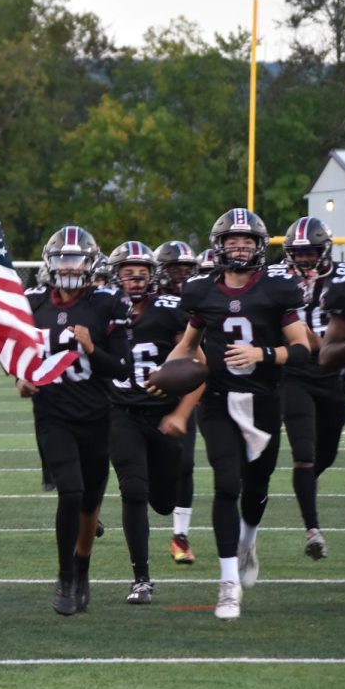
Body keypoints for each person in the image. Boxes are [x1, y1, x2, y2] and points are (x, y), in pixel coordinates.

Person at [166, 208, 309, 620]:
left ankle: (248, 538)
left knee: (256, 487)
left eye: (247, 241)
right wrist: (163, 379)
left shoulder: (277, 289)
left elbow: (302, 349)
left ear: (260, 246)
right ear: (220, 246)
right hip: (218, 401)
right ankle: (228, 583)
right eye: (233, 241)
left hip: (263, 400)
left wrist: (262, 353)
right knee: (226, 483)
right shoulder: (201, 291)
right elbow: (187, 348)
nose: (240, 247)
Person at [21, 225, 131, 617]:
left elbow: (122, 366)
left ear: (90, 263)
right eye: (62, 259)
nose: (69, 266)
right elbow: (14, 349)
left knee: (89, 502)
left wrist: (91, 348)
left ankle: (82, 569)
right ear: (49, 263)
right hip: (53, 415)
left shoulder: (107, 303)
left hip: (97, 416)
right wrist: (21, 375)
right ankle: (65, 575)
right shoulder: (33, 302)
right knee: (70, 491)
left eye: (76, 258)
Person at [105, 242, 199, 605]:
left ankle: (172, 532)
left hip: (162, 416)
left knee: (163, 501)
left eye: (142, 274)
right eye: (128, 274)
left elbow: (200, 368)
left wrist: (180, 414)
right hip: (122, 414)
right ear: (115, 277)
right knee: (133, 491)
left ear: (153, 276)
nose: (135, 280)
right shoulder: (102, 311)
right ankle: (141, 577)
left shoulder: (170, 312)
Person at [279, 217, 345, 559]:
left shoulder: (344, 278)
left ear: (325, 250)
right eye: (298, 253)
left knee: (326, 453)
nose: (304, 259)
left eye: (311, 252)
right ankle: (312, 530)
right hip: (295, 373)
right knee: (303, 451)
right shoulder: (278, 279)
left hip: (331, 375)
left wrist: (324, 345)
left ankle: (304, 485)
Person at [153, 240, 200, 565]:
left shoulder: (200, 298)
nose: (181, 277)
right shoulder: (146, 303)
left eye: (186, 270)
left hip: (188, 389)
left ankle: (180, 536)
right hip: (140, 395)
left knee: (184, 464)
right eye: (174, 270)